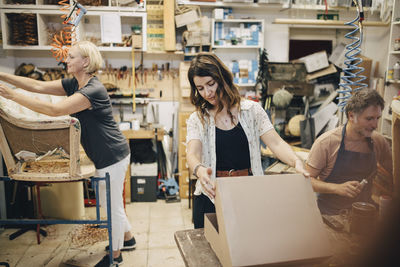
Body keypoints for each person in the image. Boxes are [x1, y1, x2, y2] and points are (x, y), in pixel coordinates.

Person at [0, 41, 135, 267]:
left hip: (113, 155)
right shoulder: (75, 83)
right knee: (110, 202)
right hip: (107, 154)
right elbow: (36, 86)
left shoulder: (92, 90)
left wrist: (11, 96)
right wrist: (3, 77)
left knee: (111, 205)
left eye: (71, 57)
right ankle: (128, 239)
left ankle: (115, 255)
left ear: (85, 62)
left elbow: (55, 110)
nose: (66, 60)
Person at [185, 53, 310, 229]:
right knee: (209, 253)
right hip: (211, 196)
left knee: (249, 250)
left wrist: (296, 161)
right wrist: (199, 170)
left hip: (248, 194)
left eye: (211, 84)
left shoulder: (252, 111)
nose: (207, 93)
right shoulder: (197, 119)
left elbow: (276, 143)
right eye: (200, 88)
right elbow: (193, 153)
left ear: (223, 78)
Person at [306, 89, 393, 215]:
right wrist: (336, 188)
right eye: (369, 119)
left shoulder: (378, 142)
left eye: (377, 118)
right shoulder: (326, 143)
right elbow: (306, 182)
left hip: (365, 214)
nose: (375, 125)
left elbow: (393, 174)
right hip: (330, 215)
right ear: (351, 116)